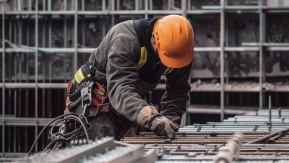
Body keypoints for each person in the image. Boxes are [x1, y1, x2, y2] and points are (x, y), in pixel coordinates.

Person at [65, 15, 194, 141]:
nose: (171, 64)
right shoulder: (126, 40)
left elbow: (178, 91)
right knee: (102, 145)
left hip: (128, 99)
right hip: (96, 98)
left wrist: (168, 121)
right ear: (154, 40)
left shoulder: (181, 53)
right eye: (167, 58)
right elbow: (120, 89)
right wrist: (152, 118)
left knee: (130, 145)